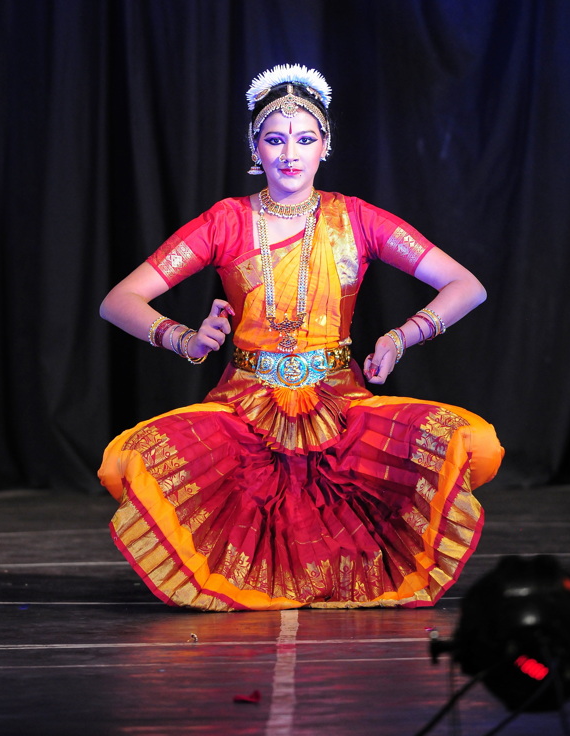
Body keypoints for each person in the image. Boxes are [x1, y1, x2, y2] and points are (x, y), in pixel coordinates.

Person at [98, 63, 504, 611]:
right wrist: (183, 339)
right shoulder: (226, 221)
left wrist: (400, 338)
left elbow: (467, 286)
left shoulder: (356, 219)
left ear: (325, 146)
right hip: (245, 410)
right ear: (255, 147)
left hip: (341, 406)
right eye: (275, 139)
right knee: (130, 461)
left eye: (305, 139)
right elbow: (119, 300)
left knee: (473, 444)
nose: (290, 153)